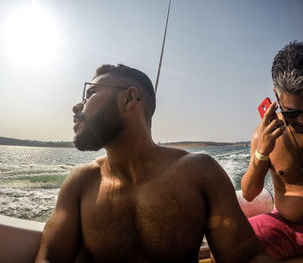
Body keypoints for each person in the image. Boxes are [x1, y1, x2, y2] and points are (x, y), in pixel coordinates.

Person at [36, 64, 272, 262]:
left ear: (128, 98)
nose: (77, 106)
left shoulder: (200, 173)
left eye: (90, 94)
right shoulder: (80, 182)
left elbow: (247, 258)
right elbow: (49, 258)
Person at [241, 41, 303, 262]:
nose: (302, 120)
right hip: (284, 225)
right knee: (232, 246)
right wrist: (261, 153)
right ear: (277, 97)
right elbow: (249, 194)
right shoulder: (264, 134)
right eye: (294, 112)